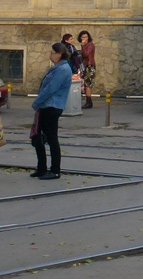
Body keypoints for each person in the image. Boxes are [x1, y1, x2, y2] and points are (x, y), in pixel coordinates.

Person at [30, 43, 72, 180]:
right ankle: (41, 167)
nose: (50, 55)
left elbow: (51, 89)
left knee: (51, 138)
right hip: (46, 106)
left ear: (59, 54)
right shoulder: (56, 68)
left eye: (52, 53)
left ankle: (55, 170)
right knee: (37, 137)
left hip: (52, 106)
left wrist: (36, 102)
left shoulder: (63, 69)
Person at [78, 30, 96, 110]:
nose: (84, 39)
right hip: (85, 65)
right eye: (82, 37)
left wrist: (82, 46)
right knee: (85, 83)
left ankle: (89, 101)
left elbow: (86, 54)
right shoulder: (85, 45)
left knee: (88, 83)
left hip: (89, 65)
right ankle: (88, 101)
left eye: (85, 37)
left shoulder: (90, 45)